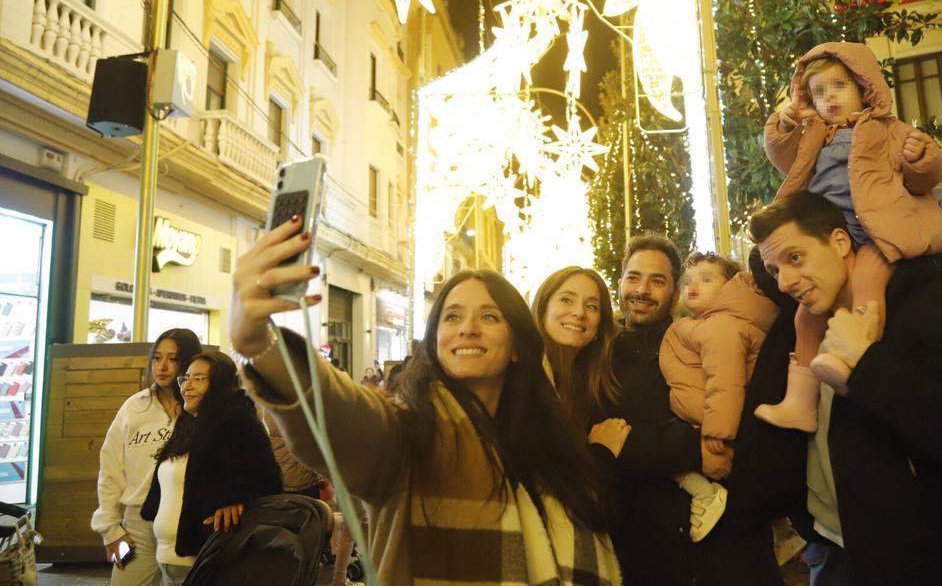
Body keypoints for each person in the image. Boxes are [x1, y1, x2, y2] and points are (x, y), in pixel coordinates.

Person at [229, 225, 620, 585]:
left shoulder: (549, 451)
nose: (468, 327)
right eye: (452, 316)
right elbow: (337, 407)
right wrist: (259, 343)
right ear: (435, 340)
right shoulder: (403, 433)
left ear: (517, 345)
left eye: (488, 316)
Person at [750, 191, 942, 585]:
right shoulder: (804, 322)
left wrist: (865, 360)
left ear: (839, 242)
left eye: (795, 258)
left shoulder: (940, 298)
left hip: (933, 561)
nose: (785, 281)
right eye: (773, 269)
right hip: (839, 551)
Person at [592, 234, 808, 585]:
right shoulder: (602, 357)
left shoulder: (702, 339)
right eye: (633, 277)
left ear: (674, 294)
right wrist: (696, 451)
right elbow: (602, 436)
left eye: (657, 280)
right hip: (648, 550)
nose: (642, 289)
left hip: (733, 545)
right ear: (619, 284)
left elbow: (748, 415)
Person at [757, 41, 942, 429]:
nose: (829, 99)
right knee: (805, 318)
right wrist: (784, 126)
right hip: (827, 238)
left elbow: (922, 178)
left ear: (864, 86)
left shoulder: (887, 130)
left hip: (877, 236)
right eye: (818, 92)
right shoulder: (815, 136)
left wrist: (921, 158)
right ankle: (800, 400)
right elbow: (783, 158)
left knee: (866, 288)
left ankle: (855, 358)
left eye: (839, 87)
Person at [658, 252, 778, 541]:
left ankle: (707, 496)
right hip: (706, 416)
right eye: (687, 281)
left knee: (671, 461)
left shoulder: (721, 325)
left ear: (729, 285)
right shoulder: (713, 323)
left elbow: (726, 380)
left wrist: (717, 431)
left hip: (713, 425)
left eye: (706, 278)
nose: (693, 285)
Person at [140, 352, 282, 585]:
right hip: (167, 556)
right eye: (185, 378)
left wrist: (236, 496)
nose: (187, 386)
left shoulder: (239, 422)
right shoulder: (188, 424)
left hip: (206, 558)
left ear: (221, 384)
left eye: (199, 378)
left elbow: (266, 478)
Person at [92, 329, 202, 586]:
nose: (162, 367)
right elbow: (110, 469)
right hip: (135, 525)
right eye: (157, 358)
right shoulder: (134, 406)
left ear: (188, 362)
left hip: (186, 521)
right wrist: (110, 532)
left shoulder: (200, 408)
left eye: (173, 359)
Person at [531, 265, 621, 427]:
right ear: (543, 309)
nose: (579, 313)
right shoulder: (524, 373)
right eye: (566, 300)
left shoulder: (590, 383)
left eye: (591, 306)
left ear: (599, 327)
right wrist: (601, 449)